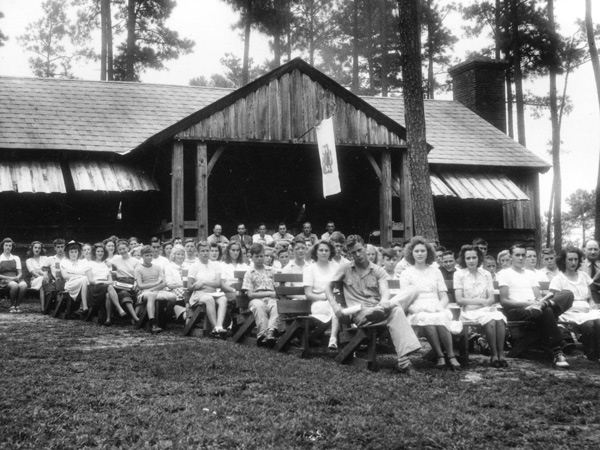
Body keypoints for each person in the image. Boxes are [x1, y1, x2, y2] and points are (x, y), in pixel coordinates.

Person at [323, 235, 421, 374]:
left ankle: (403, 362)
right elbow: (328, 287)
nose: (357, 255)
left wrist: (385, 301)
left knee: (412, 291)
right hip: (360, 313)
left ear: (365, 247)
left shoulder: (378, 270)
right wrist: (335, 306)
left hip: (379, 308)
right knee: (397, 311)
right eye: (353, 253)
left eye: (359, 250)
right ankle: (405, 363)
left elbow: (385, 291)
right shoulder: (345, 269)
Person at [498, 244, 574, 369]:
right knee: (546, 311)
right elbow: (504, 301)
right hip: (517, 310)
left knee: (568, 293)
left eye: (523, 255)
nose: (521, 258)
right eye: (518, 255)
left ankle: (546, 305)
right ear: (511, 257)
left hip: (537, 308)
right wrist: (528, 304)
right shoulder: (505, 274)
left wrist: (540, 302)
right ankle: (557, 351)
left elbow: (538, 297)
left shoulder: (530, 274)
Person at [400, 236, 462, 371]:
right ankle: (440, 355)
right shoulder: (406, 273)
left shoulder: (436, 271)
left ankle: (451, 355)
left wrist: (439, 307)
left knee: (440, 317)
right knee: (427, 319)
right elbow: (405, 300)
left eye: (423, 250)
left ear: (428, 253)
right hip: (417, 307)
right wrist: (416, 310)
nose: (420, 253)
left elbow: (444, 297)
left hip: (436, 304)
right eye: (416, 251)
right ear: (411, 253)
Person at [454, 245, 508, 368]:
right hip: (469, 311)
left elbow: (491, 299)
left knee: (499, 318)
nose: (471, 261)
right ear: (464, 259)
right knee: (490, 320)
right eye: (468, 258)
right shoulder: (459, 275)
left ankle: (501, 354)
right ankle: (494, 355)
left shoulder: (486, 274)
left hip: (485, 309)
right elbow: (459, 299)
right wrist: (482, 301)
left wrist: (483, 303)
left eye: (474, 257)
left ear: (479, 258)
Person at [551, 247, 600, 362]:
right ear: (563, 261)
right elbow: (558, 302)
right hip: (569, 312)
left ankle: (597, 355)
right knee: (588, 325)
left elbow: (590, 298)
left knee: (598, 322)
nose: (573, 262)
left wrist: (593, 304)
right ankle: (592, 356)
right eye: (570, 259)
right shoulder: (558, 279)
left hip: (586, 310)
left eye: (576, 259)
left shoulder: (583, 276)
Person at [303, 240, 341, 349]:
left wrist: (333, 298)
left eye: (326, 250)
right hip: (319, 303)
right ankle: (333, 338)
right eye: (321, 250)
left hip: (334, 300)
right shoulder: (310, 269)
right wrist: (325, 297)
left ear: (330, 252)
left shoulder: (335, 267)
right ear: (316, 252)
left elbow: (339, 287)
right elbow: (308, 294)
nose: (324, 253)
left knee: (336, 306)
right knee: (335, 307)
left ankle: (333, 339)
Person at [187, 241, 228, 338]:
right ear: (197, 252)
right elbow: (189, 286)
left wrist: (203, 282)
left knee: (223, 299)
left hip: (213, 292)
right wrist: (198, 286)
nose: (205, 253)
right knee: (208, 299)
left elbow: (218, 283)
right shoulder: (194, 266)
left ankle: (219, 326)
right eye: (202, 251)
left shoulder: (215, 265)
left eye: (207, 250)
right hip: (199, 294)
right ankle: (215, 328)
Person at [243, 243, 280, 346]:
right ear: (252, 257)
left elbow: (278, 289)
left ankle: (271, 332)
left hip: (272, 298)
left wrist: (274, 294)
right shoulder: (250, 273)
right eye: (257, 256)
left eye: (261, 256)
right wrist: (268, 293)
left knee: (276, 305)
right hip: (256, 299)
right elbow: (250, 294)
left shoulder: (272, 271)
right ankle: (262, 334)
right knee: (259, 306)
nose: (259, 259)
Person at [134, 245, 175, 333]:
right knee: (151, 295)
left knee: (173, 297)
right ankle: (153, 323)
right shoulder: (138, 269)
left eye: (151, 255)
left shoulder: (157, 267)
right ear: (142, 256)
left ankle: (164, 320)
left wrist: (152, 288)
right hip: (144, 293)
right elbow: (140, 286)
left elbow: (164, 283)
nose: (149, 257)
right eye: (146, 255)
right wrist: (156, 283)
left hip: (158, 290)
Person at [88, 242, 127, 326]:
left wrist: (106, 282)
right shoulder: (89, 264)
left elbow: (110, 279)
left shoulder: (106, 264)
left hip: (105, 286)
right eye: (98, 251)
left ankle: (108, 319)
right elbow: (91, 280)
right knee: (108, 286)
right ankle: (119, 308)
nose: (100, 253)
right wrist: (104, 282)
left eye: (102, 251)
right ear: (94, 252)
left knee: (108, 295)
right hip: (94, 288)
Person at [110, 239, 140, 323]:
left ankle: (134, 316)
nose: (122, 251)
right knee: (123, 293)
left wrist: (136, 284)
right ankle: (135, 318)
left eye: (124, 249)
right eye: (120, 249)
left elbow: (137, 275)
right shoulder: (115, 260)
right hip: (120, 284)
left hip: (132, 282)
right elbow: (111, 269)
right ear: (118, 251)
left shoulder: (136, 261)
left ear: (128, 248)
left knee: (134, 294)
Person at [60, 241, 91, 315]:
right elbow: (65, 276)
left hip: (83, 282)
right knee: (84, 279)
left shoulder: (83, 261)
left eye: (75, 252)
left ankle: (86, 307)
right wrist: (81, 274)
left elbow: (87, 273)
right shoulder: (65, 262)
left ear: (78, 252)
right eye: (71, 252)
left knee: (86, 280)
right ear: (68, 252)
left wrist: (72, 272)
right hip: (71, 283)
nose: (74, 254)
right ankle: (84, 306)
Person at [0, 237, 28, 313]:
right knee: (14, 285)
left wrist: (18, 277)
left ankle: (17, 305)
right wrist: (9, 278)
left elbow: (20, 272)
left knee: (23, 285)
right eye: (6, 245)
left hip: (15, 278)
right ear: (3, 246)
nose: (8, 247)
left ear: (12, 247)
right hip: (3, 280)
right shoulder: (0, 258)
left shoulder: (16, 258)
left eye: (10, 246)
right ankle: (12, 306)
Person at [164, 244, 188, 322]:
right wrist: (182, 285)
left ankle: (187, 314)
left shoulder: (186, 267)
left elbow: (187, 281)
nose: (180, 256)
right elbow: (169, 285)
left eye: (182, 254)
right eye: (178, 254)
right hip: (173, 290)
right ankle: (183, 314)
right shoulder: (169, 267)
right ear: (174, 255)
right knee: (183, 292)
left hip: (185, 289)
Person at [42, 238, 67, 304]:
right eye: (58, 247)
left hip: (67, 279)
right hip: (56, 280)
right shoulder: (51, 259)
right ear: (55, 248)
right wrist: (45, 274)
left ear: (64, 247)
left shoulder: (67, 258)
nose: (60, 249)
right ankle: (58, 304)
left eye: (62, 247)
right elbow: (45, 268)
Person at [26, 241, 47, 311]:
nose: (37, 249)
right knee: (42, 280)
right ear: (32, 249)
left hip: (44, 280)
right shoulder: (29, 260)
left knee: (42, 285)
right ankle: (44, 307)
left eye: (39, 248)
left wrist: (39, 271)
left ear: (41, 250)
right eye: (35, 247)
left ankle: (43, 307)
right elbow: (33, 273)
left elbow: (47, 270)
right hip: (34, 281)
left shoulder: (45, 258)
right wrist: (42, 274)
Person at [581, 239, 600, 304]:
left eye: (595, 249)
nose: (593, 252)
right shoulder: (578, 267)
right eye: (590, 249)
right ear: (584, 251)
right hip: (583, 300)